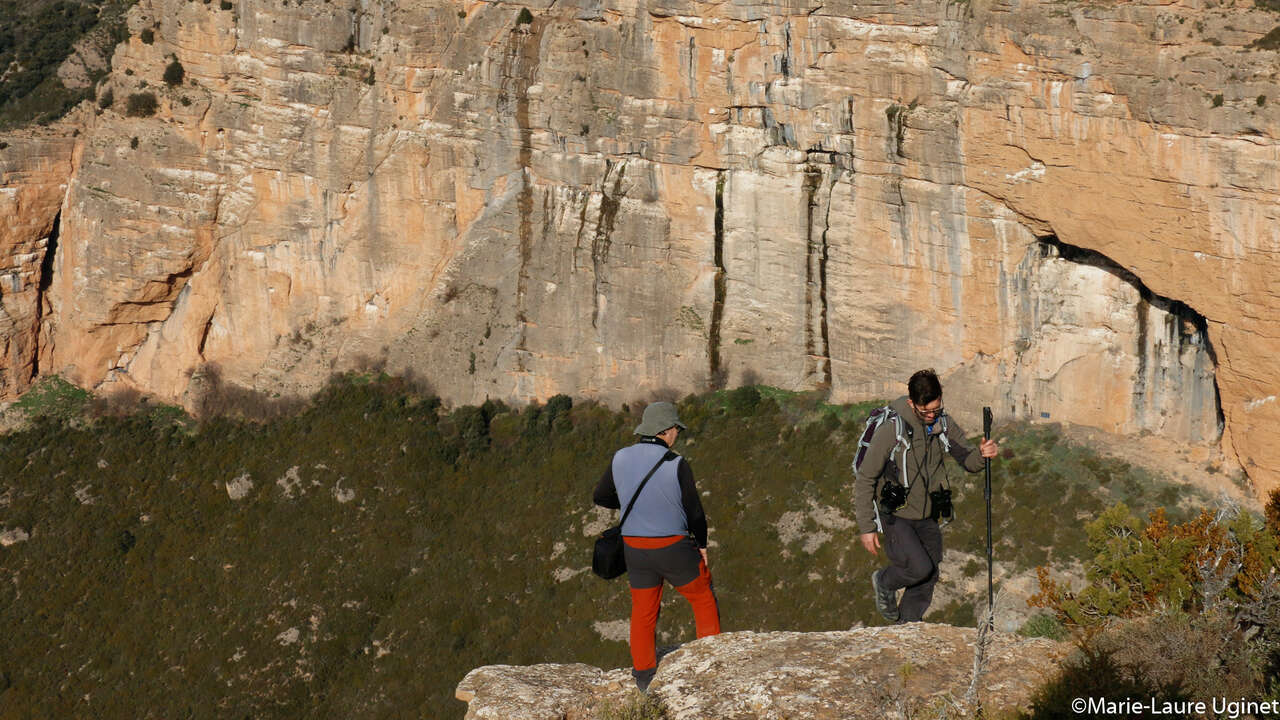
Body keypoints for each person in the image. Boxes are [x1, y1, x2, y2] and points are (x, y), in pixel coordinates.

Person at [593, 401, 721, 691]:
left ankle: (644, 676)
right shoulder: (677, 463)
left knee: (643, 611)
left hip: (635, 550)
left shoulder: (620, 457)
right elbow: (695, 513)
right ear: (665, 431)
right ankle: (711, 660)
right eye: (676, 429)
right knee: (702, 596)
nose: (677, 434)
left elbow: (600, 496)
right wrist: (701, 545)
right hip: (673, 547)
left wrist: (627, 501)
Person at [853, 369, 999, 623]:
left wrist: (983, 453)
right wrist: (867, 527)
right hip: (897, 515)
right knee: (919, 568)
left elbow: (968, 460)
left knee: (929, 574)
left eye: (936, 408)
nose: (932, 415)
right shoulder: (892, 429)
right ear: (912, 403)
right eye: (926, 411)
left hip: (928, 512)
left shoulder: (943, 422)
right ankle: (884, 581)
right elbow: (866, 478)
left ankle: (907, 628)